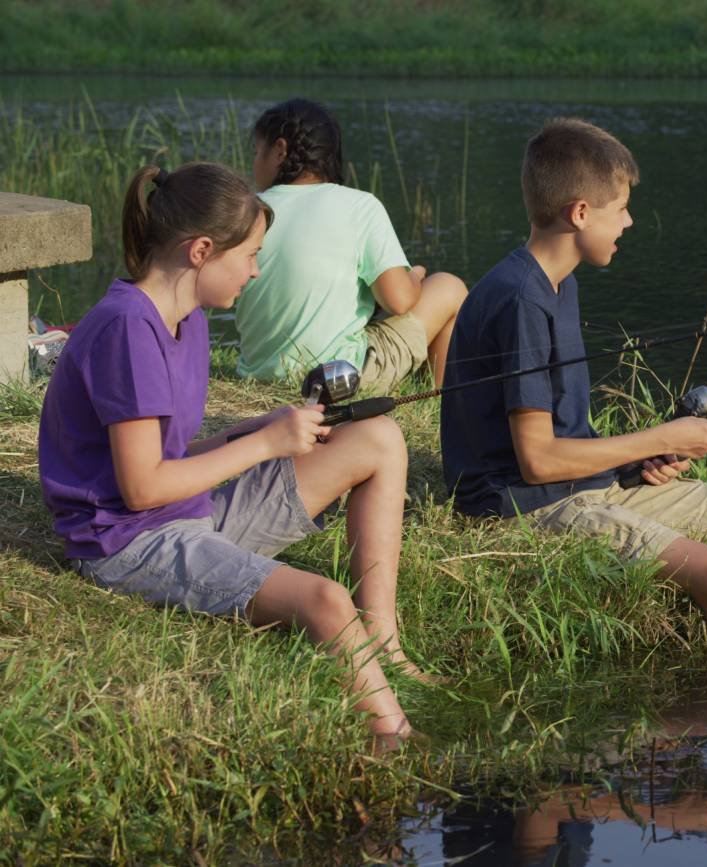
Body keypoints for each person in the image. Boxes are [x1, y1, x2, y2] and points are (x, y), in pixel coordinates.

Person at [38, 162, 422, 748]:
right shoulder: (126, 330)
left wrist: (255, 430)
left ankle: (383, 643)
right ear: (201, 251)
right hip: (127, 542)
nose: (256, 270)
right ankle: (398, 746)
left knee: (379, 439)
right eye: (249, 255)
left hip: (183, 509)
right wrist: (267, 446)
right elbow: (141, 489)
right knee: (324, 600)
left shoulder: (184, 319)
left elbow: (172, 455)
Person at [440, 118, 707, 643]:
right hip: (523, 506)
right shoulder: (520, 298)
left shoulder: (559, 285)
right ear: (581, 213)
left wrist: (638, 460)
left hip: (581, 485)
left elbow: (567, 435)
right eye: (621, 209)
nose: (630, 221)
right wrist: (661, 438)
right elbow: (538, 460)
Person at [236, 97, 467, 390]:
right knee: (449, 286)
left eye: (256, 153)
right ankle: (436, 403)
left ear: (280, 151)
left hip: (257, 374)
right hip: (337, 378)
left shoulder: (248, 211)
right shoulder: (360, 206)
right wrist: (415, 277)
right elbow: (399, 301)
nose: (254, 164)